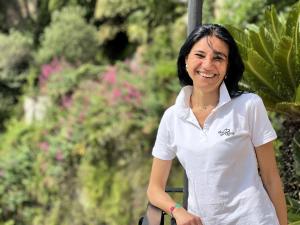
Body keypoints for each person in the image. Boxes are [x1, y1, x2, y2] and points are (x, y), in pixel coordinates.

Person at [146, 24, 287, 225]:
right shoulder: (172, 118)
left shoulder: (249, 105)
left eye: (218, 58)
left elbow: (271, 178)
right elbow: (154, 188)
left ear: (228, 67)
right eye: (200, 55)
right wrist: (177, 210)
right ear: (186, 60)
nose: (208, 64)